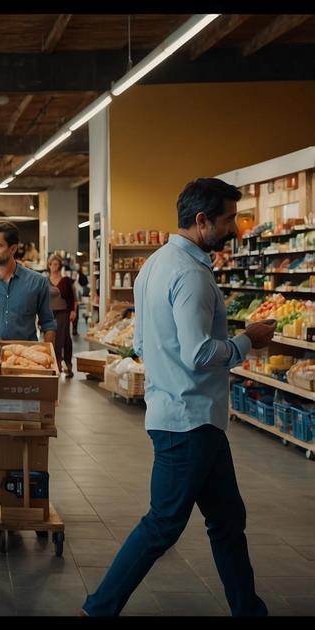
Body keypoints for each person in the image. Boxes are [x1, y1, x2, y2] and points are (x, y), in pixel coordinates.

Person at [80, 178, 276, 617]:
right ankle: (97, 608)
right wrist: (249, 340)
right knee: (162, 524)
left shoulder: (156, 263)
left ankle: (249, 610)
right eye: (227, 221)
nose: (233, 230)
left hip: (189, 414)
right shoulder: (191, 275)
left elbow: (145, 345)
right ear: (202, 220)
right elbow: (201, 352)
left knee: (227, 523)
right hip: (189, 421)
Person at [0, 221, 56, 343]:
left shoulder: (37, 282)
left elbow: (48, 324)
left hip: (26, 356)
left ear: (13, 249)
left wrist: (48, 355)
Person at [48, 254, 77, 377]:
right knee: (51, 338)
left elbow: (73, 298)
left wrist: (73, 311)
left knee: (62, 338)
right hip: (49, 313)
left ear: (59, 266)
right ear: (48, 265)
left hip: (63, 312)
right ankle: (55, 363)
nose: (54, 266)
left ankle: (64, 364)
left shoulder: (65, 280)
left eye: (56, 264)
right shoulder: (45, 280)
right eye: (51, 264)